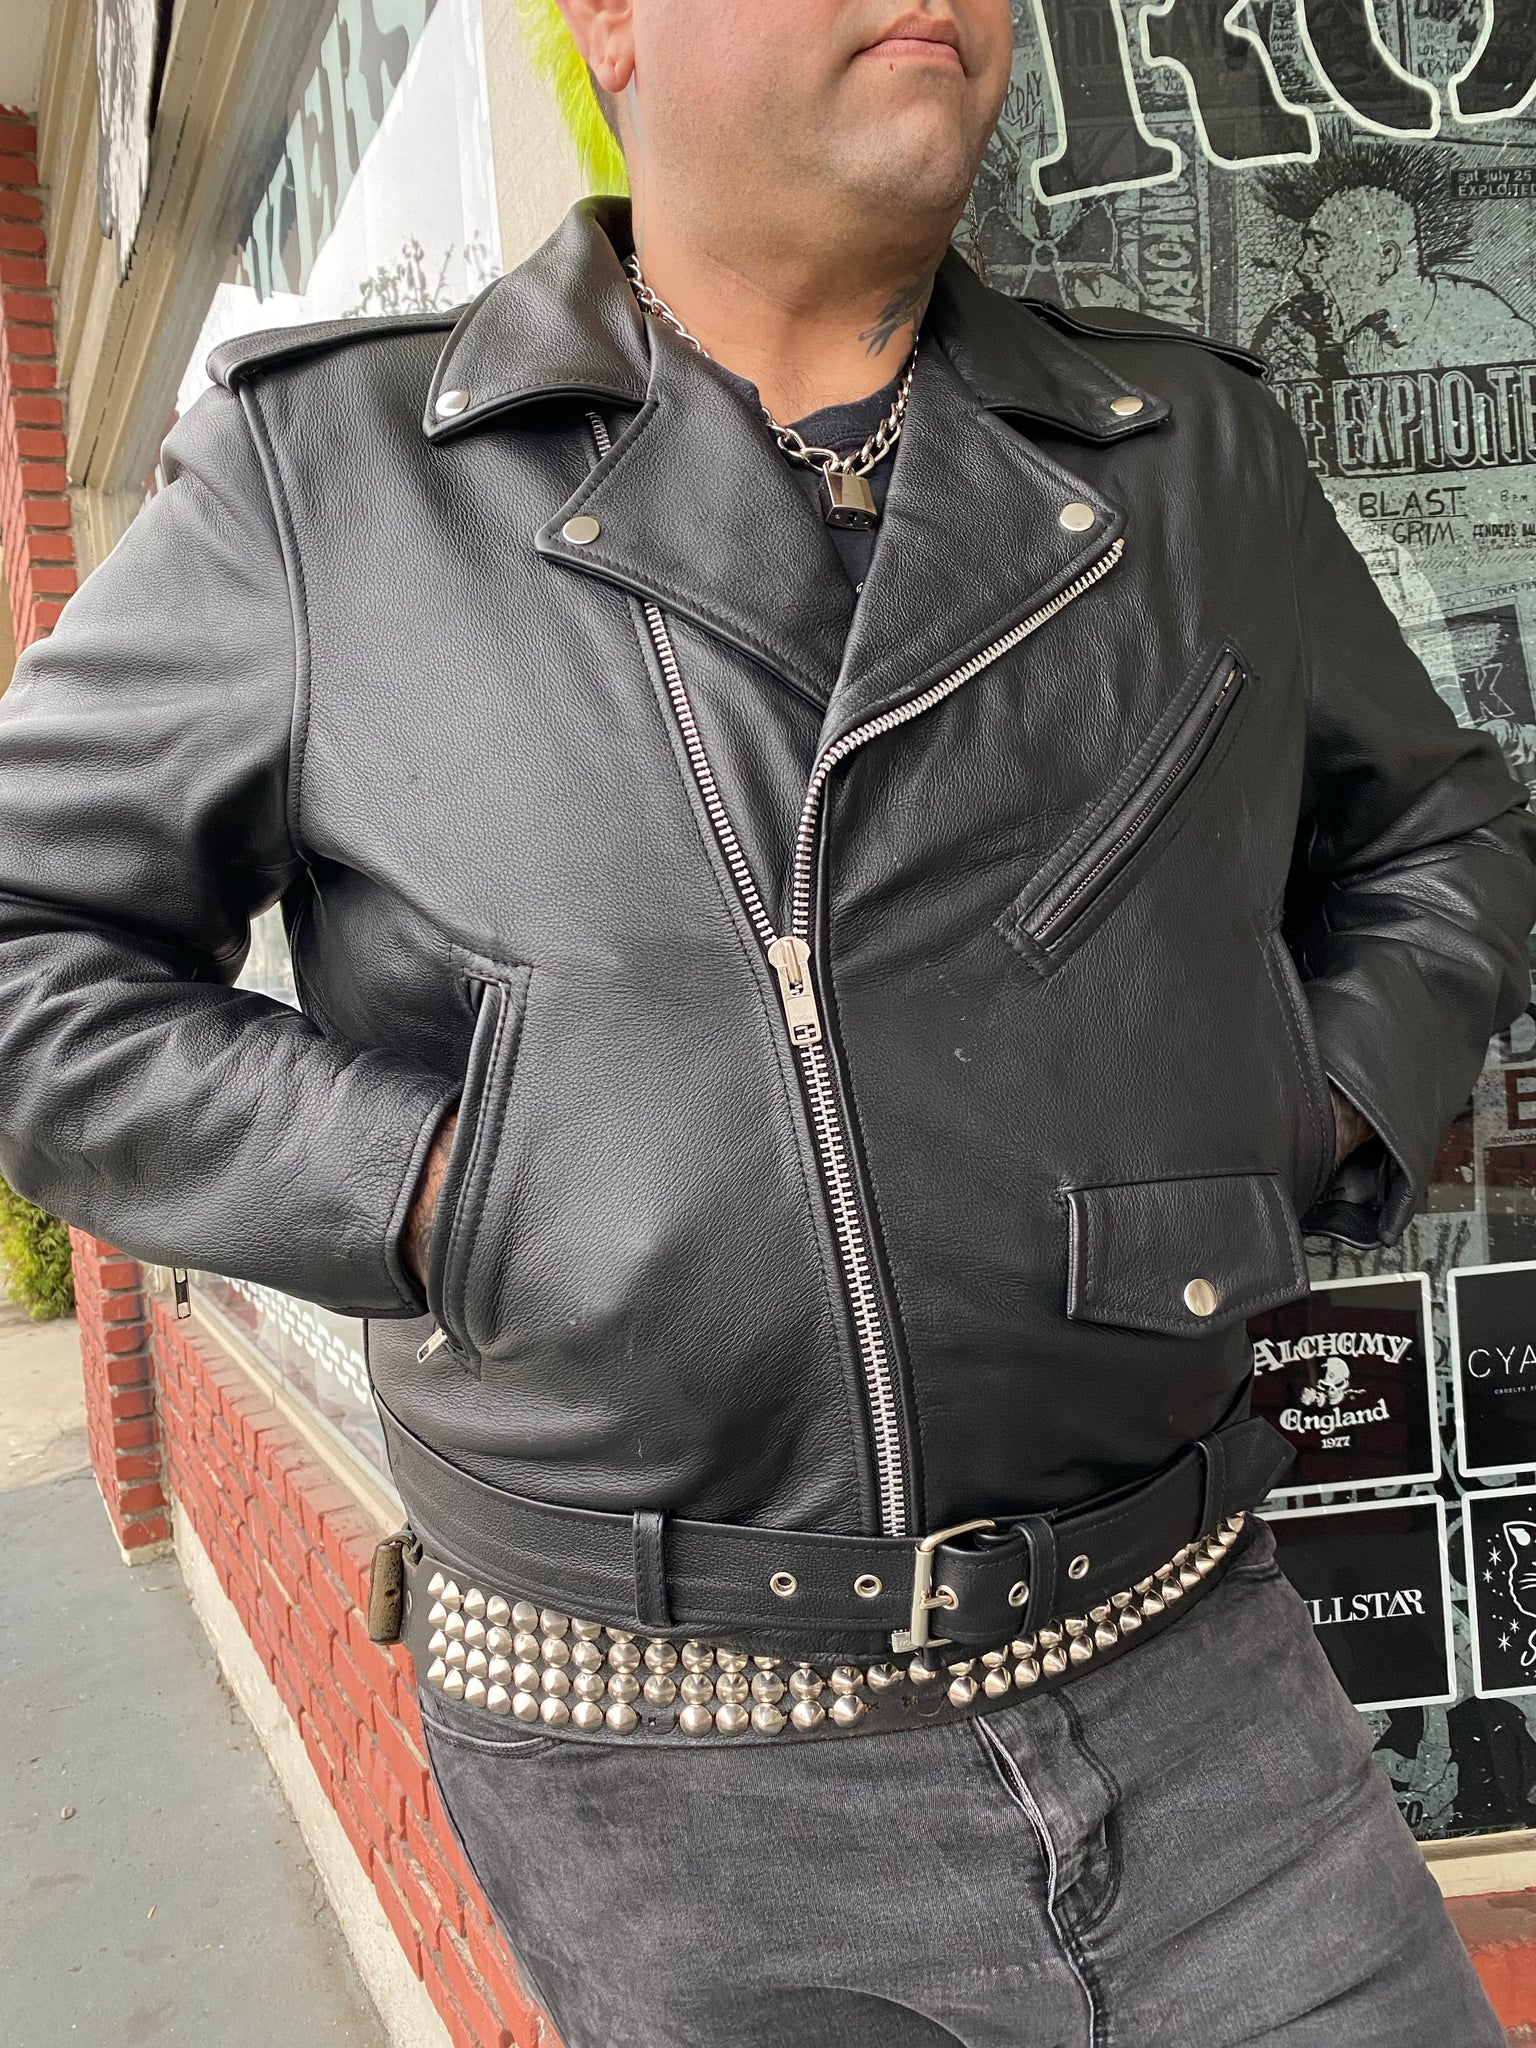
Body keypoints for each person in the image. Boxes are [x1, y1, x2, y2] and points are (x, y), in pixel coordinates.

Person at [0, 2, 1531, 2042]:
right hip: (662, 1758)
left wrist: (1304, 1101)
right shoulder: (338, 475)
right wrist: (454, 1189)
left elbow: (1441, 835)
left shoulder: (1187, 448)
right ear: (610, 23)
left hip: (1199, 1674)